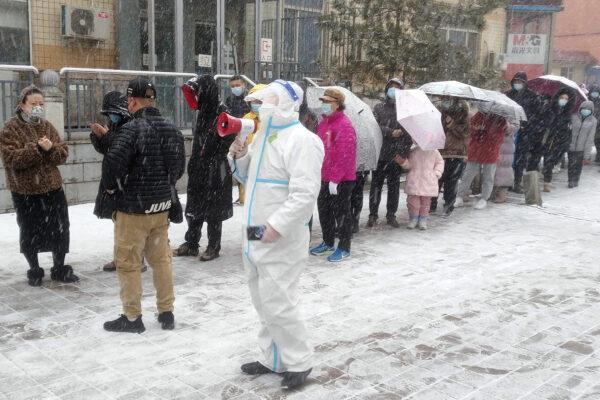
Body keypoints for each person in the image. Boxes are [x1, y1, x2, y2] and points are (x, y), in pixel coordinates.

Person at [228, 80, 324, 389]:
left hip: (281, 236)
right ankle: (271, 357)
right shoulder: (263, 136)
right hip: (255, 232)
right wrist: (239, 154)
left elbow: (305, 195)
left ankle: (299, 361)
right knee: (262, 300)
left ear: (284, 103)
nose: (257, 107)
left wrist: (277, 226)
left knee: (280, 301)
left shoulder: (303, 141)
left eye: (264, 101)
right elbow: (247, 179)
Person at [102, 77, 185, 333]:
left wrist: (112, 188)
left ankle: (132, 317)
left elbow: (112, 165)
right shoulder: (171, 127)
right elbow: (178, 169)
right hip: (160, 208)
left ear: (132, 101)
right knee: (161, 261)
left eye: (128, 100)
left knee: (128, 263)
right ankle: (166, 312)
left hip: (133, 210)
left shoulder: (131, 129)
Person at [0, 85, 78, 287]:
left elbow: (62, 154)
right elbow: (11, 158)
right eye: (33, 104)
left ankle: (59, 267)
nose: (38, 108)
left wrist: (50, 149)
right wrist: (36, 149)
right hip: (26, 191)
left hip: (52, 188)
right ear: (22, 104)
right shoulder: (10, 128)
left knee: (60, 229)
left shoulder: (46, 126)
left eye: (41, 104)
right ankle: (34, 269)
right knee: (29, 230)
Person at [173, 75, 234, 261]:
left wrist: (214, 155)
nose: (196, 98)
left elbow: (229, 136)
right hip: (199, 166)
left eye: (198, 93)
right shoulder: (203, 113)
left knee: (214, 209)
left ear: (206, 92)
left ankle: (213, 246)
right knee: (194, 205)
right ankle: (191, 243)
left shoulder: (223, 112)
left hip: (215, 167)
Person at [89, 91, 148, 273]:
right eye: (108, 115)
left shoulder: (132, 126)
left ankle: (138, 260)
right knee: (119, 224)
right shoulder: (115, 126)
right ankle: (120, 257)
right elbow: (108, 150)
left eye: (113, 114)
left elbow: (122, 149)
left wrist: (106, 137)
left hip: (128, 182)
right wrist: (97, 137)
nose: (111, 118)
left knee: (132, 226)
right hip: (116, 180)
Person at [310, 88, 357, 262]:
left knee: (342, 213)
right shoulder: (323, 124)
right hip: (324, 176)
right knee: (324, 211)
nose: (324, 105)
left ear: (337, 104)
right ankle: (328, 242)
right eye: (323, 102)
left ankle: (344, 247)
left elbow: (345, 154)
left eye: (328, 102)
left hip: (341, 180)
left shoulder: (344, 125)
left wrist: (335, 179)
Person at [368, 78, 412, 228]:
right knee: (376, 186)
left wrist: (403, 154)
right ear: (386, 89)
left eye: (397, 88)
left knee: (393, 188)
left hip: (396, 156)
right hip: (380, 154)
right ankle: (373, 214)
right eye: (391, 88)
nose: (393, 90)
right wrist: (390, 132)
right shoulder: (379, 107)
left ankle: (391, 214)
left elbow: (409, 134)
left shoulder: (405, 110)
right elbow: (374, 126)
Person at [455, 111, 507, 210]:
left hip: (491, 150)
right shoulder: (479, 115)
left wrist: (488, 131)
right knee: (468, 174)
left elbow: (499, 138)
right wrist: (477, 130)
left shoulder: (501, 119)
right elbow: (471, 129)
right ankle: (459, 196)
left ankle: (484, 198)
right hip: (476, 149)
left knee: (488, 176)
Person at [527, 89, 574, 192]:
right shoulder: (549, 109)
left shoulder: (567, 115)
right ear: (557, 98)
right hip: (541, 139)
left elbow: (567, 131)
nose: (563, 100)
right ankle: (530, 182)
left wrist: (564, 143)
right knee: (534, 161)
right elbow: (539, 122)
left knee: (549, 163)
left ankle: (547, 183)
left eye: (566, 99)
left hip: (554, 142)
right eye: (562, 98)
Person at [432, 98, 470, 216]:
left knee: (451, 182)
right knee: (437, 180)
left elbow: (464, 133)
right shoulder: (441, 115)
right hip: (441, 152)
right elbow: (438, 131)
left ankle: (448, 206)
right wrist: (445, 123)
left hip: (456, 153)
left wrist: (452, 124)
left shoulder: (465, 117)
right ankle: (431, 204)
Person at [505, 72, 541, 193]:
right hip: (509, 131)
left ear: (525, 83)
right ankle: (507, 182)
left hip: (524, 132)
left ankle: (517, 182)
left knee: (520, 158)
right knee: (508, 158)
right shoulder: (507, 95)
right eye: (516, 81)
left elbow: (536, 114)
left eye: (520, 82)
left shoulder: (532, 96)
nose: (517, 84)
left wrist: (526, 124)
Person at [394, 144, 444, 230]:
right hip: (415, 180)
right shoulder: (413, 151)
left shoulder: (434, 151)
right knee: (413, 202)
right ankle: (414, 218)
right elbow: (409, 165)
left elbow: (440, 162)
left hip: (428, 180)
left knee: (426, 202)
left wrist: (437, 173)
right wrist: (403, 162)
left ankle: (423, 219)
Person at [237, 84, 266, 205]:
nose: (256, 104)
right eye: (253, 101)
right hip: (249, 160)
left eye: (259, 101)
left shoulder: (270, 119)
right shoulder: (246, 118)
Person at [568, 100, 597, 188]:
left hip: (582, 148)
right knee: (571, 164)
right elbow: (569, 131)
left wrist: (587, 155)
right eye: (584, 108)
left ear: (591, 110)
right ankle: (570, 180)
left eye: (588, 109)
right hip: (571, 146)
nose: (586, 110)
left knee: (578, 165)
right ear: (580, 108)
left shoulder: (593, 121)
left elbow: (590, 138)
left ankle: (576, 179)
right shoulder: (573, 117)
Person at [492, 122, 517, 203]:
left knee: (502, 174)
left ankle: (502, 196)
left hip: (505, 153)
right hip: (500, 151)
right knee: (498, 173)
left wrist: (503, 124)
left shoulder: (511, 122)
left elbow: (512, 128)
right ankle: (498, 194)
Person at [587, 84, 600, 163]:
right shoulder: (586, 101)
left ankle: (598, 156)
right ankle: (586, 157)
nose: (595, 93)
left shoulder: (599, 102)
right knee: (587, 142)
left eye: (597, 92)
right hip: (588, 125)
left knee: (598, 141)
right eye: (593, 92)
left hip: (598, 126)